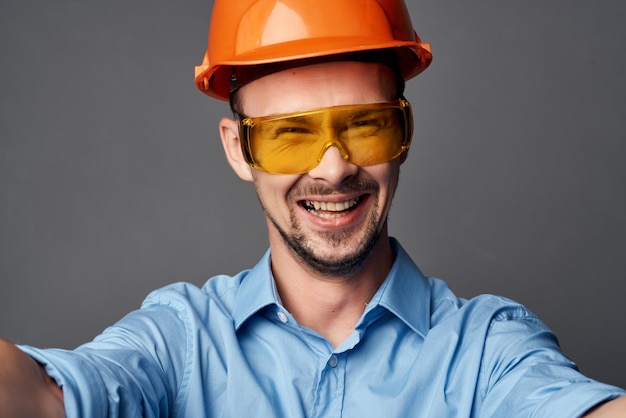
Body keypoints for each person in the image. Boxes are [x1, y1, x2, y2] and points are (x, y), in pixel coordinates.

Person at [1, 0, 625, 416]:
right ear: (238, 149)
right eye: (289, 134)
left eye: (366, 125)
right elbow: (44, 398)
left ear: (405, 133)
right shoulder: (181, 341)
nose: (334, 167)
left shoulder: (487, 350)